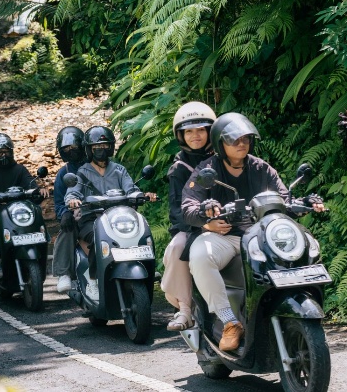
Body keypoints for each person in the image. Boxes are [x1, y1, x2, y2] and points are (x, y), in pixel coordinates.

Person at [181, 112, 325, 351]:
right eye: (234, 140)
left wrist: (306, 202)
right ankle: (229, 321)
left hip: (261, 236)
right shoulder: (207, 170)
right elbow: (188, 206)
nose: (242, 144)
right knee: (200, 255)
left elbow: (284, 198)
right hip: (224, 237)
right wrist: (205, 213)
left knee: (305, 244)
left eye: (245, 139)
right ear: (220, 144)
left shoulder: (261, 168)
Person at [65, 126, 157, 302]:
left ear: (111, 147)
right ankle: (93, 280)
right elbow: (73, 191)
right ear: (89, 149)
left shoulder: (119, 170)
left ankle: (148, 268)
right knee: (97, 239)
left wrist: (143, 195)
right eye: (97, 147)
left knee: (141, 236)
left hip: (119, 218)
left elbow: (131, 189)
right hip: (92, 219)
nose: (102, 149)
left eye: (105, 145)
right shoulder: (83, 172)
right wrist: (72, 199)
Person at [161, 102, 216, 331]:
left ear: (211, 131)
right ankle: (184, 309)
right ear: (180, 135)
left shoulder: (223, 158)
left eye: (201, 130)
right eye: (189, 131)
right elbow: (176, 210)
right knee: (178, 246)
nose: (196, 136)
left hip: (226, 221)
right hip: (191, 226)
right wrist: (202, 224)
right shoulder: (179, 168)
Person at [0, 133, 49, 279]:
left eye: (7, 152)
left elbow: (30, 184)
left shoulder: (19, 169)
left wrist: (39, 190)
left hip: (19, 209)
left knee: (36, 210)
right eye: (0, 152)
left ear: (12, 152)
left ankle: (41, 247)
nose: (4, 155)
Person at [53, 126, 87, 293]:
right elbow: (59, 202)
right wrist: (65, 213)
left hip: (105, 211)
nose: (70, 151)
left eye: (74, 147)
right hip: (79, 215)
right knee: (67, 230)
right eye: (66, 149)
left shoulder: (96, 165)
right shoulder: (63, 173)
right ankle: (64, 273)